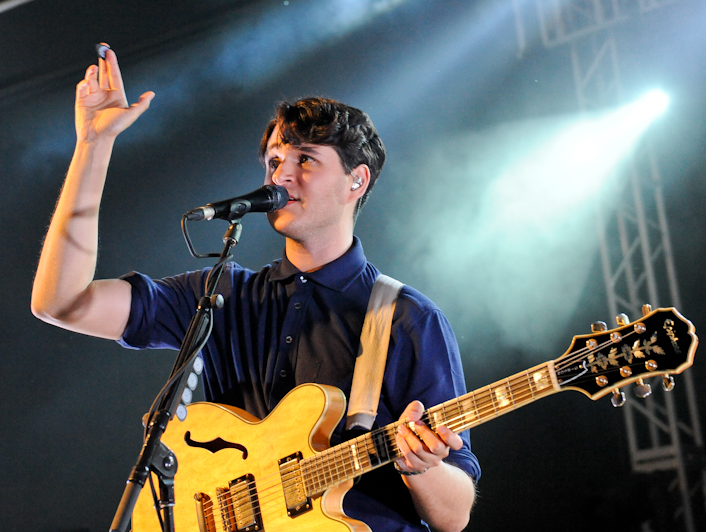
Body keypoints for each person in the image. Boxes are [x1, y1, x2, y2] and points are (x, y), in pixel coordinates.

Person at [31, 47, 479, 532]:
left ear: (357, 180)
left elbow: (453, 517)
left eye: (305, 159)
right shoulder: (222, 294)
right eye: (273, 161)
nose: (281, 175)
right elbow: (61, 303)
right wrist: (93, 146)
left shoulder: (408, 318)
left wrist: (423, 467)